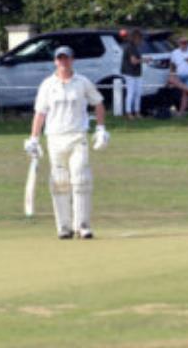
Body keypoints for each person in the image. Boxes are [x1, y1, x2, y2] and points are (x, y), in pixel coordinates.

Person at [25, 45, 110, 239]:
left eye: (67, 58)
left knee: (81, 179)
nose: (63, 62)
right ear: (56, 61)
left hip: (77, 136)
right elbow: (40, 113)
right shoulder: (48, 85)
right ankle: (64, 227)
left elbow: (98, 103)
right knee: (60, 182)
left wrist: (101, 128)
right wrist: (34, 139)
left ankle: (83, 225)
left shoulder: (82, 82)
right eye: (60, 59)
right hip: (55, 138)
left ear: (72, 60)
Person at [119, 29, 144, 120]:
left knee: (138, 93)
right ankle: (129, 113)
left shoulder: (135, 47)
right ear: (135, 38)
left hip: (137, 73)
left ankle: (137, 112)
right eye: (140, 39)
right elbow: (133, 61)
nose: (141, 41)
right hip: (129, 73)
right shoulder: (130, 47)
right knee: (131, 93)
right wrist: (145, 60)